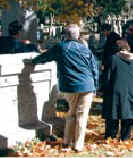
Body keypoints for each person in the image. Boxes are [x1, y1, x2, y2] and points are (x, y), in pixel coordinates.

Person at [24, 24, 98, 152]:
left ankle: (66, 142)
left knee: (70, 115)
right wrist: (95, 87)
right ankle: (78, 145)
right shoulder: (86, 50)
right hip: (88, 85)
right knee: (82, 116)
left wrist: (32, 61)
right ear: (77, 36)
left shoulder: (61, 47)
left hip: (71, 86)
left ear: (65, 35)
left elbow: (45, 57)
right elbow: (94, 69)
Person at [101, 40, 133, 141]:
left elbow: (107, 77)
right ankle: (125, 137)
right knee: (129, 116)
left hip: (116, 91)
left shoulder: (113, 59)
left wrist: (103, 88)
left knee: (113, 115)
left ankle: (111, 136)